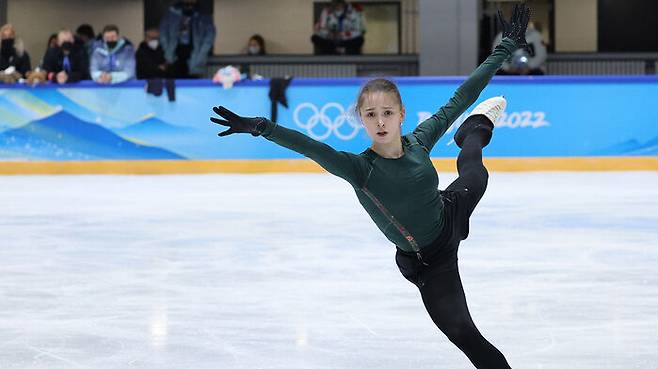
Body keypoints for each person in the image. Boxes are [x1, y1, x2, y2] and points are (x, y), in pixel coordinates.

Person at [210, 4, 531, 369]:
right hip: (430, 261)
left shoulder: (420, 140)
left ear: (401, 115)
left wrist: (504, 49)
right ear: (361, 119)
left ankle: (474, 130)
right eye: (371, 114)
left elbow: (462, 95)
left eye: (388, 113)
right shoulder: (360, 169)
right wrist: (261, 126)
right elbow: (311, 147)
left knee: (477, 174)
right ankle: (473, 133)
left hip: (448, 213)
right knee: (464, 334)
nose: (380, 122)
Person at [159, 0, 216, 78]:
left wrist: (201, 56)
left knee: (192, 83)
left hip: (195, 55)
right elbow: (163, 33)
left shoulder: (204, 15)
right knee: (174, 83)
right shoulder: (171, 13)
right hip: (174, 53)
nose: (189, 5)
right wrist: (167, 51)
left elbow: (209, 38)